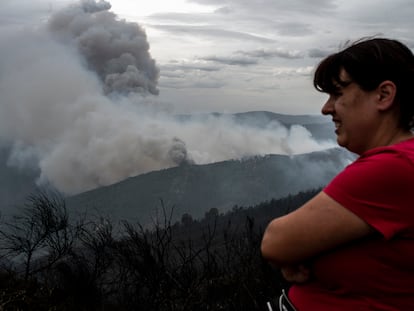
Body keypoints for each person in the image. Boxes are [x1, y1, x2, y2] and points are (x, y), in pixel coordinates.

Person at [261, 38, 414, 310]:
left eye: (338, 93)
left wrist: (301, 252)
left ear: (384, 95)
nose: (326, 108)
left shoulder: (393, 167)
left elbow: (275, 241)